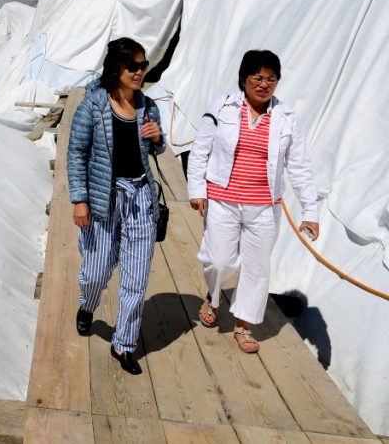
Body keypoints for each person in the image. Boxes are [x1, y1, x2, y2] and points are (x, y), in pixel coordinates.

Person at [187, 50, 319, 353]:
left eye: (271, 78)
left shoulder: (286, 118)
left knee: (257, 267)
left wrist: (310, 212)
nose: (264, 83)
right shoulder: (223, 107)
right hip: (222, 200)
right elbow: (200, 150)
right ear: (244, 79)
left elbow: (299, 166)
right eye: (257, 77)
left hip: (264, 207)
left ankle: (244, 323)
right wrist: (197, 190)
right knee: (219, 260)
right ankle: (214, 294)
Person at [68, 37, 165, 375]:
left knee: (135, 278)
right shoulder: (94, 105)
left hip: (139, 196)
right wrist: (79, 200)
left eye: (143, 66)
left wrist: (156, 139)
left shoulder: (148, 106)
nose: (140, 72)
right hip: (103, 199)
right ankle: (87, 304)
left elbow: (156, 150)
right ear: (116, 69)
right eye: (133, 66)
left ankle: (123, 343)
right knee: (96, 271)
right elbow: (76, 152)